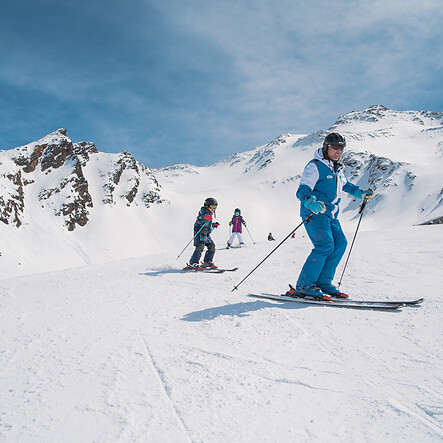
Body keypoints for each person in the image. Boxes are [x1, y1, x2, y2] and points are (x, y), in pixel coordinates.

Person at [288, 132, 373, 300]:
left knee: (340, 244)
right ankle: (304, 285)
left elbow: (346, 186)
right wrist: (310, 201)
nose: (339, 151)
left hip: (331, 215)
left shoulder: (337, 168)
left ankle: (323, 282)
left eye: (341, 148)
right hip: (314, 213)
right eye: (335, 147)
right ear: (326, 147)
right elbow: (303, 189)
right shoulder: (315, 166)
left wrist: (360, 193)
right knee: (325, 245)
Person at [185, 197, 220, 270]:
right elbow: (200, 219)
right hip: (199, 233)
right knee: (200, 246)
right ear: (207, 206)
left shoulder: (210, 214)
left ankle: (207, 262)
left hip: (205, 234)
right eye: (212, 207)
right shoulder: (203, 212)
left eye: (215, 207)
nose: (213, 209)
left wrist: (213, 225)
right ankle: (193, 263)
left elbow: (207, 225)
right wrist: (205, 217)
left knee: (212, 246)